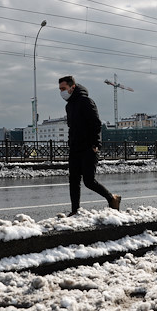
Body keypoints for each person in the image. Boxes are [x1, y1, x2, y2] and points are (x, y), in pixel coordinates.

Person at [58, 75, 121, 216]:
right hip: (75, 147)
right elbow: (71, 127)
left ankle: (112, 198)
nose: (61, 92)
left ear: (72, 87)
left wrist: (95, 145)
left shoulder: (86, 101)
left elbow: (96, 123)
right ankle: (75, 210)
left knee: (89, 181)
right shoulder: (69, 106)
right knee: (73, 180)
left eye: (63, 88)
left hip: (88, 147)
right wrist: (71, 142)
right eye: (60, 89)